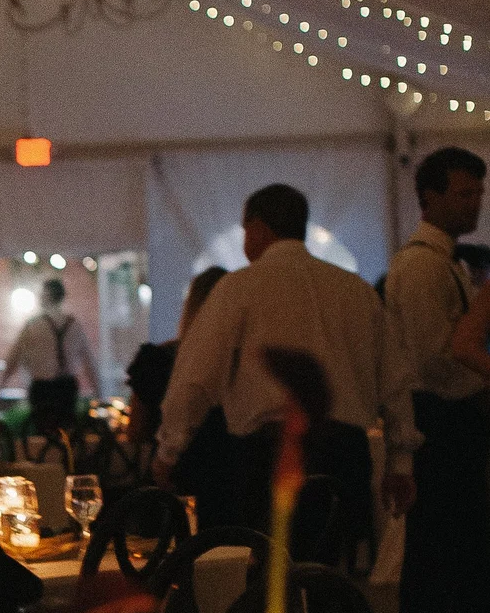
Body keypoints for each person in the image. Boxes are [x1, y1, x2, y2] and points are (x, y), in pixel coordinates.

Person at [157, 181, 416, 561]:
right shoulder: (357, 291)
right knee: (329, 571)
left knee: (270, 574)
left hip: (270, 455)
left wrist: (168, 450)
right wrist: (400, 462)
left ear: (258, 229)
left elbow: (195, 379)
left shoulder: (238, 288)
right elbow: (396, 383)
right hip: (345, 454)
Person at [386, 145, 490, 613]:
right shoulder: (423, 267)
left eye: (479, 193)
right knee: (445, 553)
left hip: (450, 418)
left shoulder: (445, 262)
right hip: (442, 420)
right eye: (463, 193)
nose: (474, 203)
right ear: (429, 196)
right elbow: (433, 359)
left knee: (453, 551)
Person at [126, 266, 231, 526]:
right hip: (230, 481)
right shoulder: (240, 364)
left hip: (168, 483)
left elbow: (135, 431)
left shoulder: (157, 360)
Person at [0, 277, 98, 436]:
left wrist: (0, 385)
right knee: (66, 435)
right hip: (67, 388)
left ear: (46, 295)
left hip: (42, 389)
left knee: (44, 434)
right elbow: (90, 362)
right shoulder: (74, 325)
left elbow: (14, 357)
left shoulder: (33, 325)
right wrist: (99, 393)